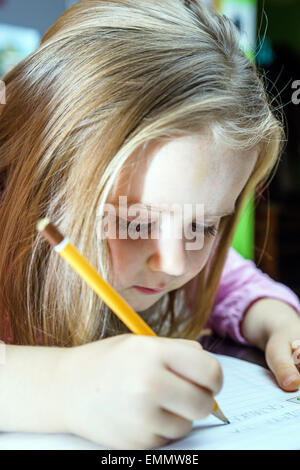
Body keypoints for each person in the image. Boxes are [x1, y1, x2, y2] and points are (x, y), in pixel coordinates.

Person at [0, 0, 300, 450]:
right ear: (42, 177)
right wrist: (64, 387)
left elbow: (233, 284)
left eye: (202, 227)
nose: (174, 266)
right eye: (137, 224)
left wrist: (278, 324)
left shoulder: (174, 261)